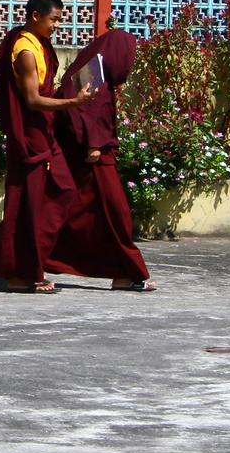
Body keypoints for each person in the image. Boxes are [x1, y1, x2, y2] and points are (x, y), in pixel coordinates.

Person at [0, 0, 94, 293]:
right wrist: (73, 102)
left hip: (43, 132)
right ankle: (20, 272)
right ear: (35, 16)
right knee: (27, 203)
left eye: (59, 19)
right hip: (30, 133)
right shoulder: (26, 51)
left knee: (61, 191)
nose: (57, 25)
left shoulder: (38, 43)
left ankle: (17, 256)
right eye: (54, 19)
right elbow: (32, 100)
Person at [47, 28, 157, 291]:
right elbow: (76, 107)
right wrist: (92, 143)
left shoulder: (100, 77)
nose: (127, 65)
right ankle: (126, 271)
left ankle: (122, 272)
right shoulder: (92, 77)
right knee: (114, 215)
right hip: (93, 158)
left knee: (89, 216)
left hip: (95, 156)